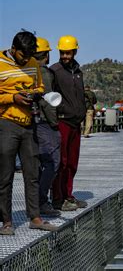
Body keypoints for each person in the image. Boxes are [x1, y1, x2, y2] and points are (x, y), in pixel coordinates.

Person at [0, 31, 58, 235]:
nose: (26, 60)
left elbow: (40, 86)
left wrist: (36, 93)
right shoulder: (0, 62)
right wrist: (13, 98)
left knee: (32, 172)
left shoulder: (33, 63)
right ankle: (7, 221)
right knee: (5, 174)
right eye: (22, 56)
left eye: (29, 57)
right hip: (6, 123)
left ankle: (35, 217)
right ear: (13, 49)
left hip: (29, 124)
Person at [50, 35, 87, 211]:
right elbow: (49, 97)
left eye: (68, 53)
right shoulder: (55, 71)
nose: (65, 56)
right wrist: (59, 113)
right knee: (61, 162)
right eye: (62, 52)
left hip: (75, 122)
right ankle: (58, 198)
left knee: (72, 162)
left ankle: (69, 195)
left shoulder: (78, 72)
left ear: (75, 51)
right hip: (62, 121)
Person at [34, 37, 62, 217]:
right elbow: (49, 102)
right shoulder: (44, 72)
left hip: (30, 122)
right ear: (46, 54)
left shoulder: (26, 70)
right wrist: (55, 124)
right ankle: (41, 201)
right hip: (44, 123)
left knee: (37, 164)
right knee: (52, 162)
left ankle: (36, 200)